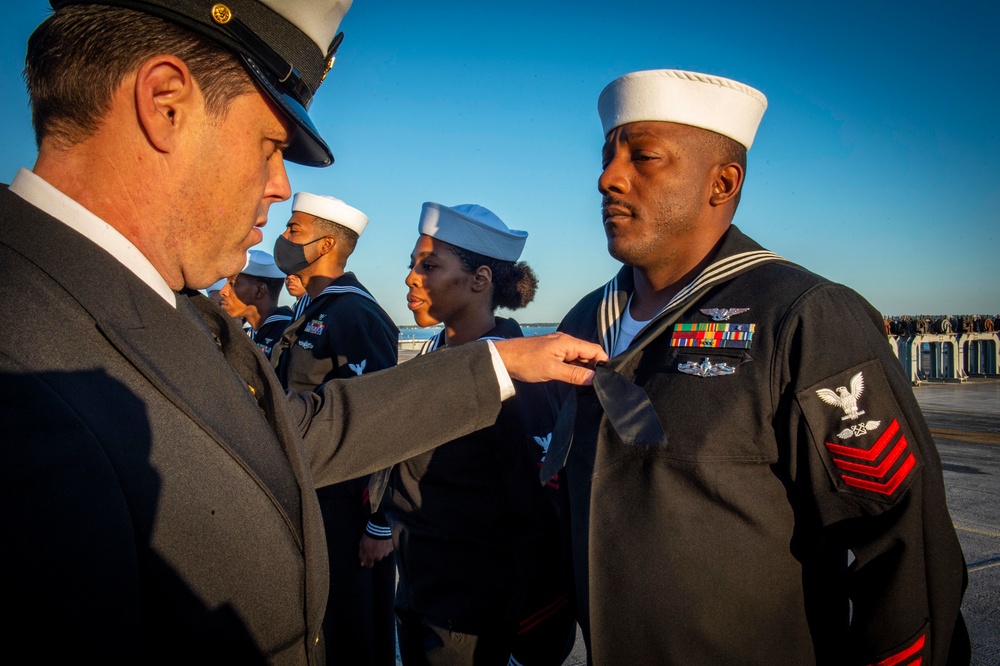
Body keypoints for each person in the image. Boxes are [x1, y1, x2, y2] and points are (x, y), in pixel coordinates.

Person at [0, 1, 606, 661]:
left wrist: (501, 363)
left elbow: (295, 430)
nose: (279, 185)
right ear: (165, 103)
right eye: (270, 145)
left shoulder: (152, 306)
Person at [544, 69, 970, 665]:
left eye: (643, 156)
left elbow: (903, 536)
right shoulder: (586, 319)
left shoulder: (801, 315)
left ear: (722, 182)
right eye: (610, 156)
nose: (608, 177)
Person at [380, 202, 575, 666]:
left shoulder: (516, 377)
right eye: (412, 264)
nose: (411, 277)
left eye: (429, 265)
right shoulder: (430, 364)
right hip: (419, 598)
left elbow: (541, 518)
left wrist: (529, 633)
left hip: (477, 623)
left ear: (480, 279)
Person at [270, 192, 397, 666]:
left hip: (346, 509)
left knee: (353, 633)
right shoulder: (315, 307)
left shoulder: (355, 314)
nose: (283, 239)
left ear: (326, 246)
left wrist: (379, 523)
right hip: (312, 498)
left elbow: (384, 420)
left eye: (294, 231)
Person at [218, 249, 294, 358]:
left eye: (232, 283)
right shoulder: (246, 334)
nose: (223, 291)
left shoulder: (289, 334)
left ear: (259, 290)